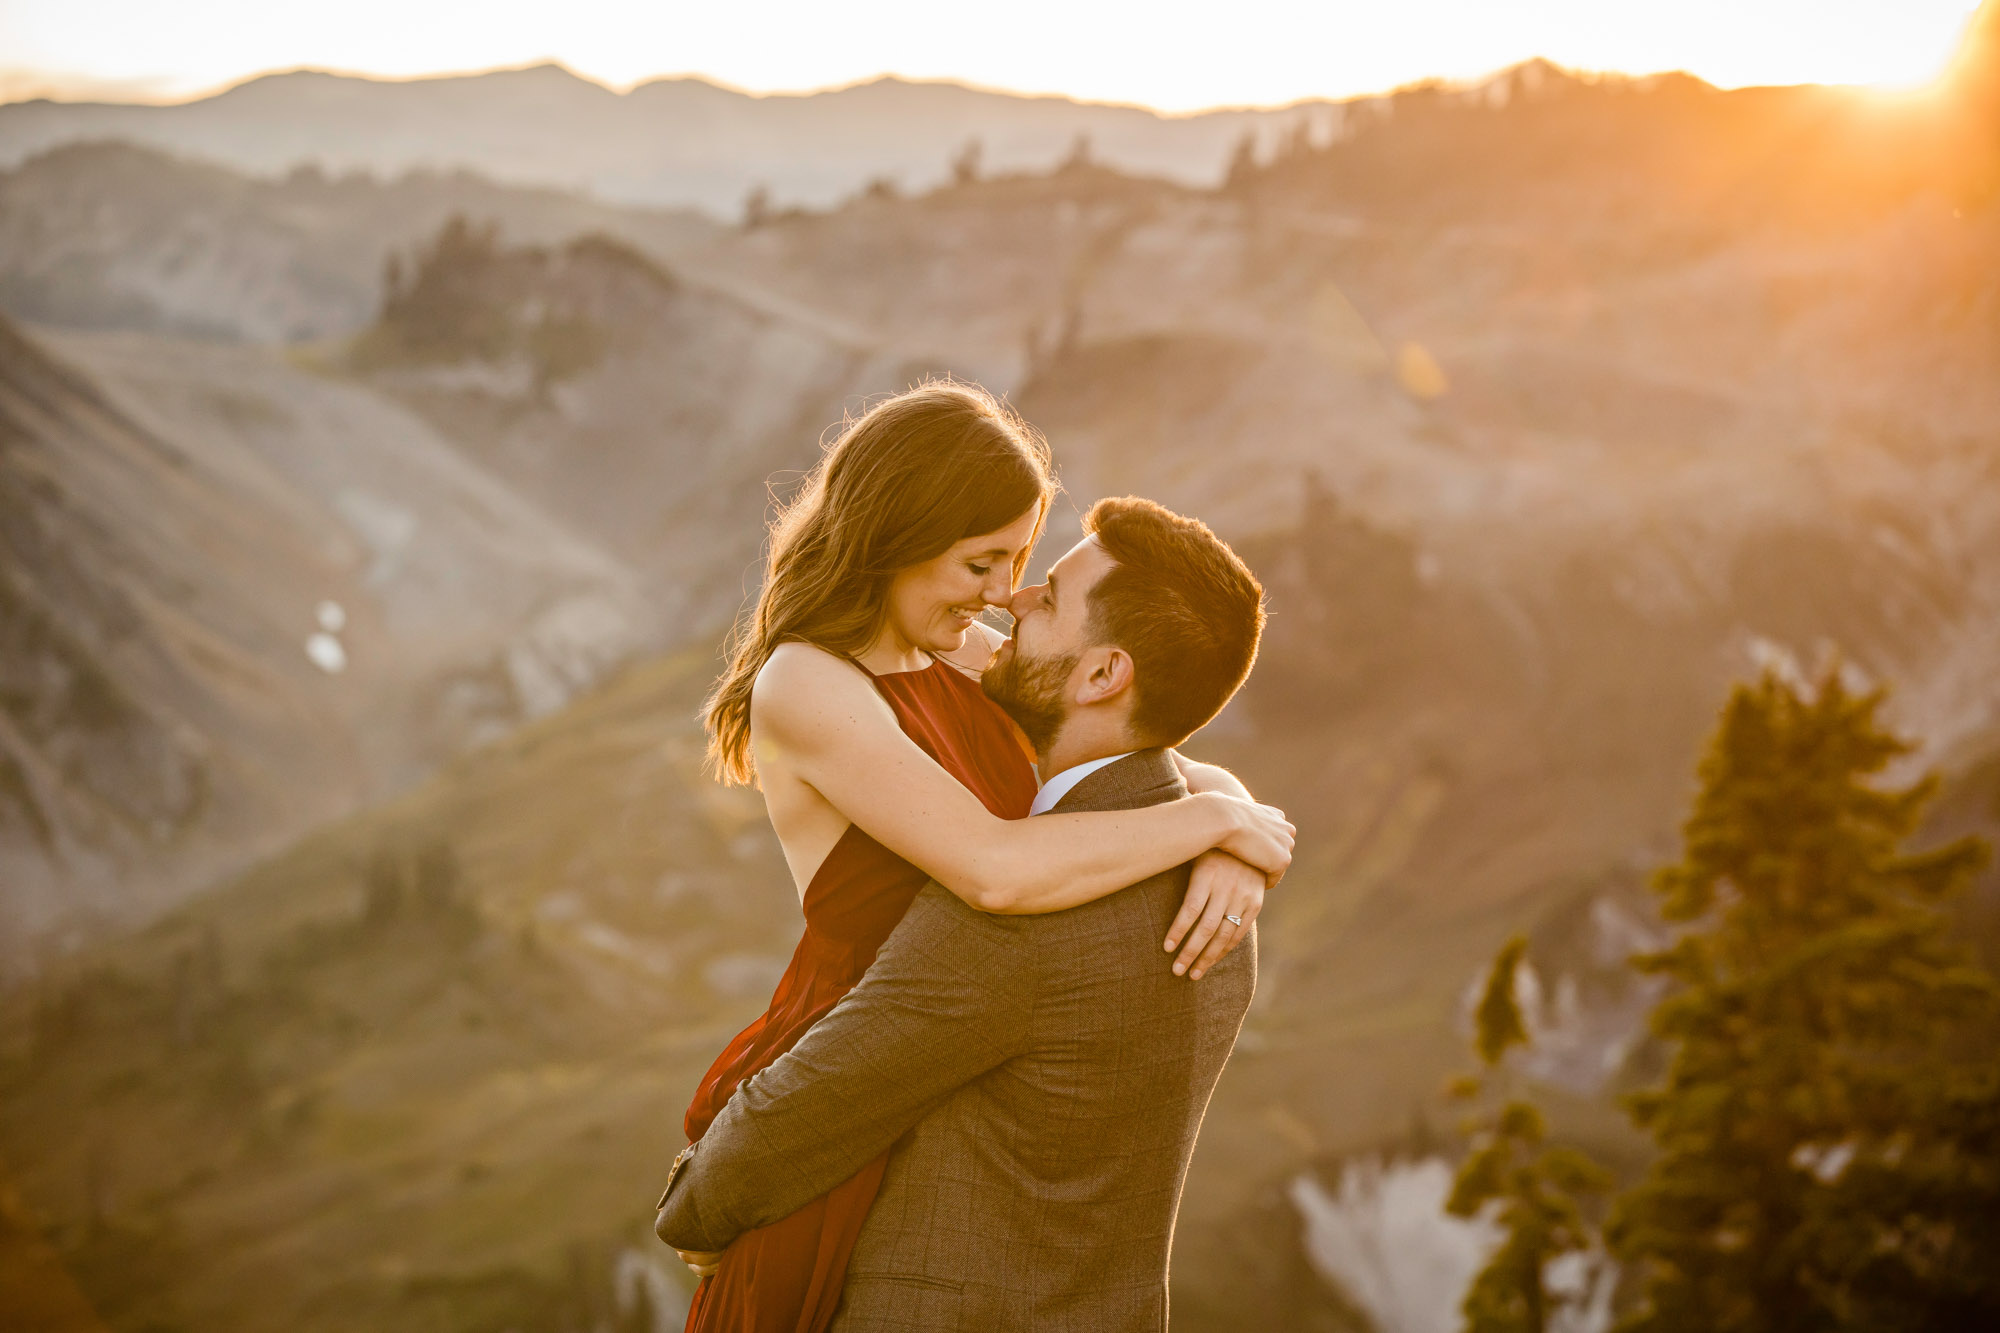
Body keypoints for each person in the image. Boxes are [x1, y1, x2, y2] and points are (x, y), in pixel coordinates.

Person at [676, 383, 1291, 1332]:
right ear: (896, 536)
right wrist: (1211, 828)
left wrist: (1235, 825)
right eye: (983, 561)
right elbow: (996, 867)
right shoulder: (810, 681)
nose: (1006, 593)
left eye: (1018, 560)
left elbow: (1135, 739)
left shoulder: (960, 653)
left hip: (931, 1062)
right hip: (846, 1070)